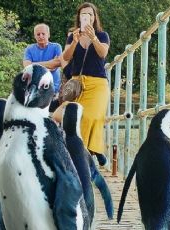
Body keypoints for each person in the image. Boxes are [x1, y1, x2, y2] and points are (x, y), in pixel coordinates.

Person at [52, 2, 110, 166]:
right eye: (83, 14)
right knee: (71, 116)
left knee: (93, 116)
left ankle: (87, 153)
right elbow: (66, 57)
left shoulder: (102, 35)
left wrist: (93, 38)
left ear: (94, 17)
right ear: (79, 17)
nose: (87, 17)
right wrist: (75, 41)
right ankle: (87, 153)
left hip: (97, 84)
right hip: (77, 84)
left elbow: (103, 53)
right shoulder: (72, 36)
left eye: (90, 14)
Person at [23, 23, 62, 94]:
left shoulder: (56, 47)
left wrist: (34, 65)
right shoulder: (29, 49)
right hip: (35, 90)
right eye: (38, 34)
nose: (41, 36)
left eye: (43, 34)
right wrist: (50, 64)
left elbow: (58, 63)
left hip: (53, 89)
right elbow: (27, 66)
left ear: (48, 35)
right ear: (34, 36)